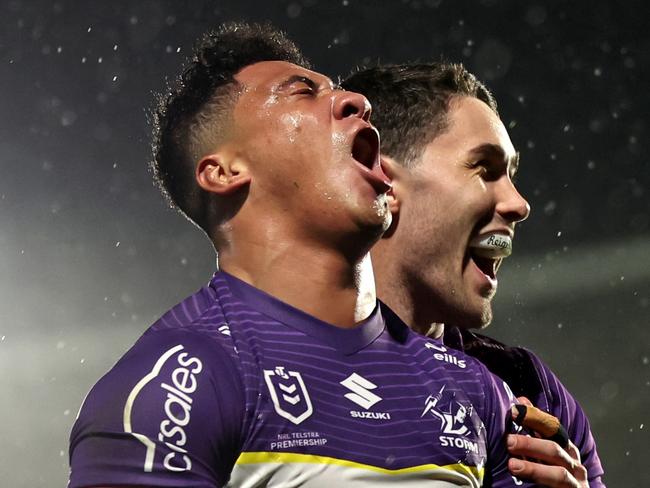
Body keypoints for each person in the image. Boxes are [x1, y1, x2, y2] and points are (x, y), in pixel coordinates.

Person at [69, 23, 536, 487]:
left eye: (337, 90)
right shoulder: (182, 384)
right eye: (303, 93)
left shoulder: (475, 391)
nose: (357, 103)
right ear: (225, 171)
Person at [342, 63, 605, 487]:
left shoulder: (532, 391)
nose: (519, 204)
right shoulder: (261, 374)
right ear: (384, 185)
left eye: (512, 175)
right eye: (484, 168)